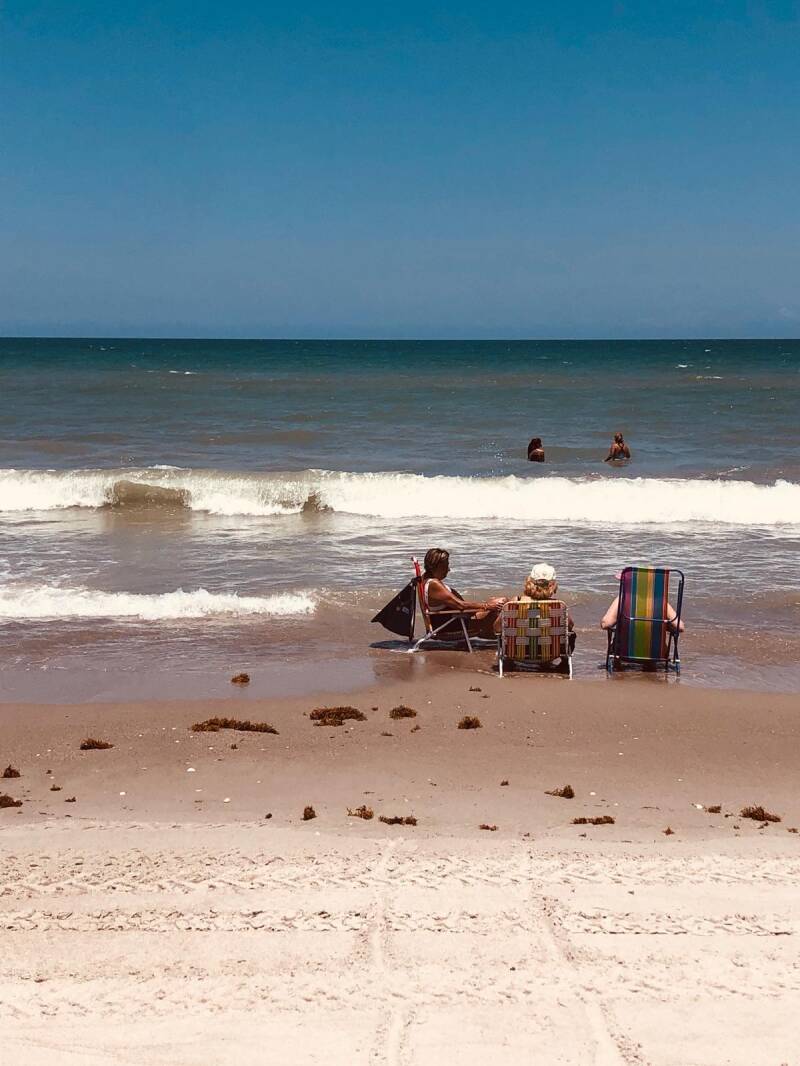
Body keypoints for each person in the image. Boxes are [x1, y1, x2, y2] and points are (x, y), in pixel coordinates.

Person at [421, 547, 506, 640]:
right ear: (438, 566)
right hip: (454, 625)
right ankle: (504, 640)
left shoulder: (424, 579)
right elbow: (460, 605)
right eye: (446, 565)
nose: (448, 569)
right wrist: (487, 606)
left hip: (456, 618)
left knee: (501, 602)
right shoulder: (434, 584)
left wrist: (487, 606)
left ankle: (498, 638)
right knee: (503, 608)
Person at [493, 563, 576, 658]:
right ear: (553, 585)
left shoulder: (514, 602)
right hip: (551, 651)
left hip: (516, 651)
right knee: (570, 635)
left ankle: (509, 662)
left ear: (529, 582)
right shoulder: (558, 606)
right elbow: (570, 626)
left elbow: (497, 628)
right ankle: (564, 663)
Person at [600, 572, 684, 633]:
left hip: (623, 650)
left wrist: (622, 622)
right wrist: (662, 626)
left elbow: (606, 624)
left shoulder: (623, 599)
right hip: (655, 652)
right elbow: (680, 627)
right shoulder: (660, 602)